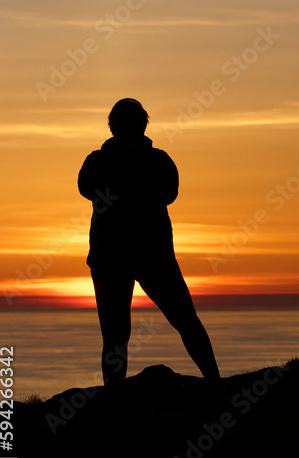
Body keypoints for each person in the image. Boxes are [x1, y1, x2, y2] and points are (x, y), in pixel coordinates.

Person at [78, 98, 220, 389]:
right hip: (153, 254)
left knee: (115, 334)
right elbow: (169, 194)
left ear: (113, 127)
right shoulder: (158, 160)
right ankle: (216, 384)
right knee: (185, 320)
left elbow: (85, 189)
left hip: (111, 256)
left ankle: (114, 396)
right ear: (143, 126)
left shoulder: (98, 160)